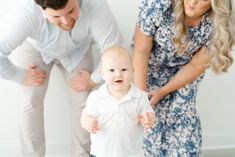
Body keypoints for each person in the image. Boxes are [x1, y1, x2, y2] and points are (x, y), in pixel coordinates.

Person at [0, 0, 123, 156]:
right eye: (57, 16)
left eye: (71, 11)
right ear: (42, 9)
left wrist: (93, 79)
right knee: (31, 101)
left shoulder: (96, 5)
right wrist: (20, 75)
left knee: (84, 102)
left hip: (77, 50)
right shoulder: (25, 13)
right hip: (35, 48)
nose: (66, 21)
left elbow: (115, 50)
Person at [132, 0, 235, 156]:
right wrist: (140, 99)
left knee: (183, 119)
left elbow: (196, 66)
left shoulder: (221, 23)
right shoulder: (159, 4)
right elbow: (140, 51)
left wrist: (163, 91)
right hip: (146, 66)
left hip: (184, 71)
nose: (193, 2)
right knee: (149, 121)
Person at [81, 46, 155, 157]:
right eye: (111, 70)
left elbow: (149, 113)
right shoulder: (96, 97)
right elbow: (85, 116)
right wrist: (87, 121)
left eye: (124, 70)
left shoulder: (139, 96)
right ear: (102, 74)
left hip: (132, 153)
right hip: (102, 152)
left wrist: (148, 118)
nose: (118, 74)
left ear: (132, 71)